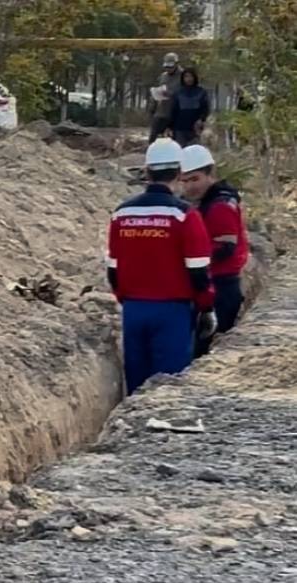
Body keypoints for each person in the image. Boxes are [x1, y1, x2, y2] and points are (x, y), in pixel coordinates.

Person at [106, 138, 215, 395]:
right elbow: (198, 272)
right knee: (169, 390)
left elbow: (113, 270)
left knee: (137, 387)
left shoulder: (121, 214)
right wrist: (206, 307)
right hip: (173, 312)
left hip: (133, 310)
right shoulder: (185, 216)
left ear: (146, 172)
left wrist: (127, 300)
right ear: (179, 172)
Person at [181, 143, 250, 355]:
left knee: (205, 351)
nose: (190, 186)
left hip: (221, 288)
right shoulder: (207, 201)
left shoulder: (219, 205)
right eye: (185, 180)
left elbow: (224, 248)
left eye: (195, 179)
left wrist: (185, 258)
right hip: (212, 284)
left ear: (210, 174)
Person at [170, 68, 211, 147]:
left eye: (191, 76)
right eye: (186, 76)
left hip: (195, 128)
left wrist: (201, 119)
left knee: (194, 151)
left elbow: (205, 108)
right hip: (180, 128)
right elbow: (173, 110)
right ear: (183, 78)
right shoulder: (178, 93)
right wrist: (170, 126)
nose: (189, 79)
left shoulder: (201, 92)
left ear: (194, 77)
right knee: (181, 152)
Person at [150, 52, 183, 141]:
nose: (168, 69)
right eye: (167, 67)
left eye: (170, 67)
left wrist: (171, 94)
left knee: (177, 139)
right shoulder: (163, 76)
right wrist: (153, 105)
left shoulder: (183, 76)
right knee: (154, 137)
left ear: (177, 64)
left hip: (177, 113)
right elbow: (158, 89)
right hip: (162, 111)